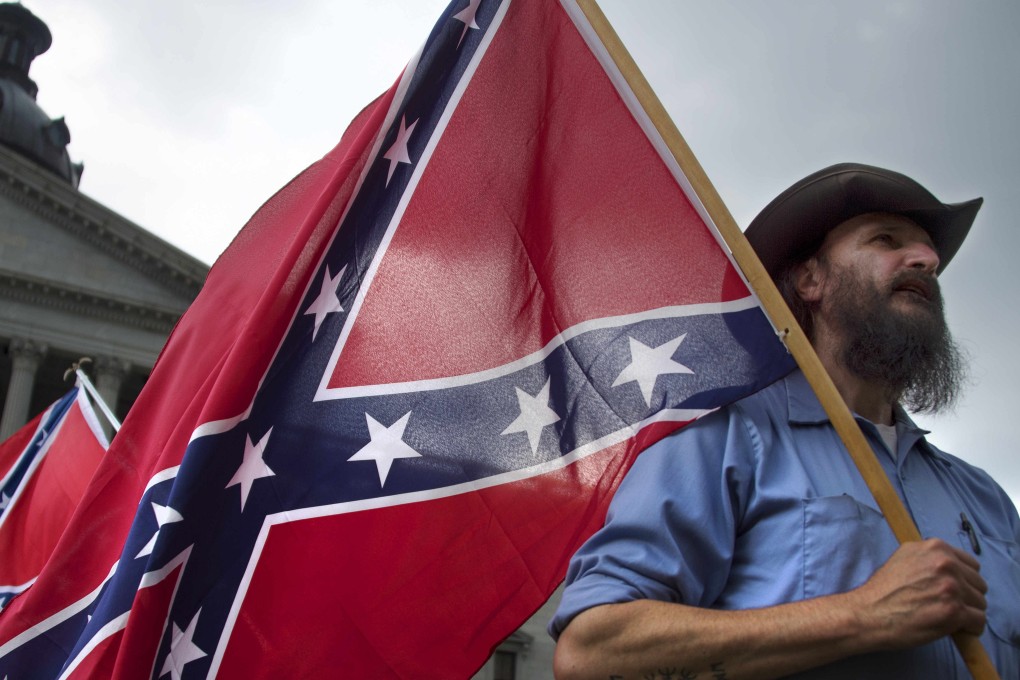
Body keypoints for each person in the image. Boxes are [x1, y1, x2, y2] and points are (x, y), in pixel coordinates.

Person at [549, 163, 1020, 679]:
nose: (927, 260)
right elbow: (591, 654)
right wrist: (862, 616)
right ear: (810, 279)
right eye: (887, 239)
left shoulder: (986, 499)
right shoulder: (724, 438)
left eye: (929, 252)